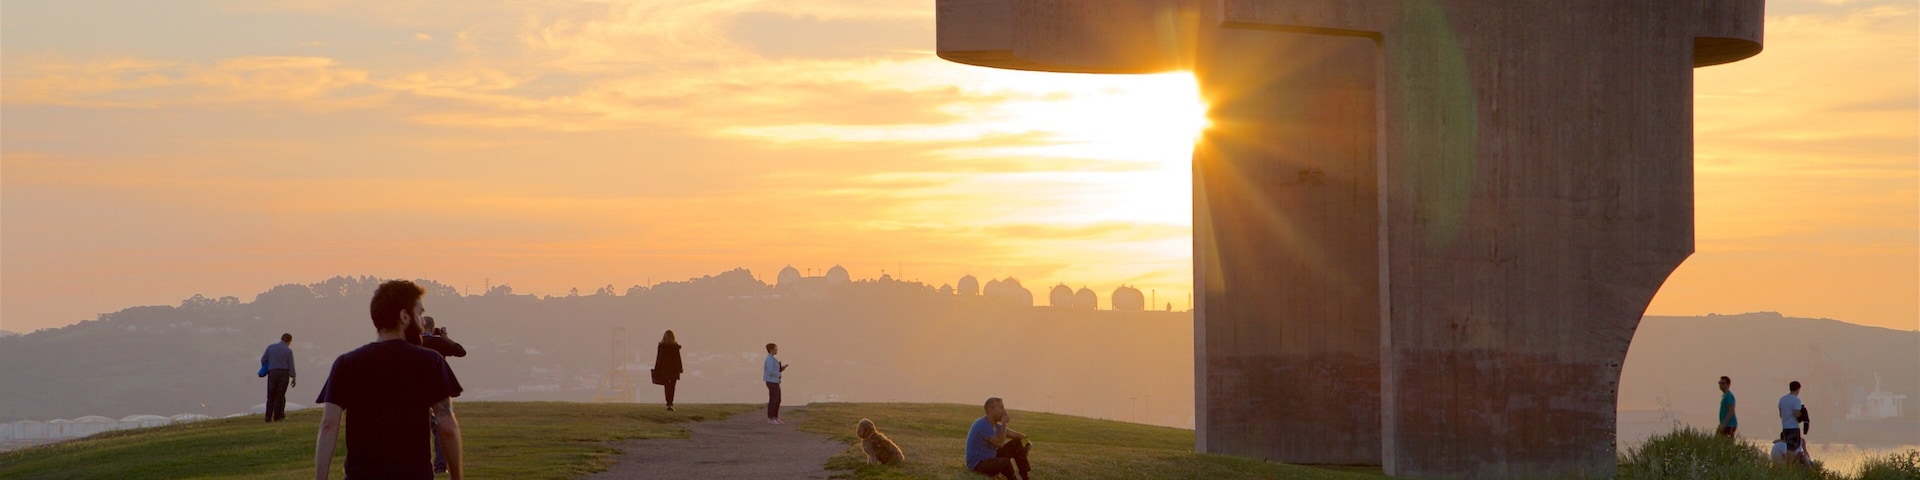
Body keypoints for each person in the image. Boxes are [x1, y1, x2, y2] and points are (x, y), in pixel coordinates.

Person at [313, 280, 465, 480]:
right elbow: (446, 426)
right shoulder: (430, 362)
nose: (421, 323)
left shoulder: (346, 364)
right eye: (419, 313)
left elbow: (329, 425)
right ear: (404, 316)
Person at [419, 316, 466, 474]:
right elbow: (460, 351)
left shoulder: (414, 343)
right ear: (433, 327)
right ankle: (440, 466)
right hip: (437, 390)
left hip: (417, 390)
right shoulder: (439, 343)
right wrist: (445, 337)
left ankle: (421, 464)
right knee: (440, 429)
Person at [965, 397, 1032, 480]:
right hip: (978, 464)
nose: (1004, 412)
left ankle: (1025, 477)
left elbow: (1017, 436)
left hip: (991, 458)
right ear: (990, 410)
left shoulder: (996, 426)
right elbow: (1000, 444)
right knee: (1004, 462)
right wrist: (1004, 424)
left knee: (1017, 444)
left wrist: (1027, 442)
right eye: (1001, 408)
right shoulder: (982, 425)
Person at [261, 333, 298, 422]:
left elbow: (263, 359)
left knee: (270, 395)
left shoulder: (271, 347)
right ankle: (278, 417)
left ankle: (268, 417)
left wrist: (267, 368)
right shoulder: (288, 351)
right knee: (280, 396)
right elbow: (291, 365)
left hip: (272, 372)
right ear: (289, 341)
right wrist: (293, 377)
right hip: (284, 374)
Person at [655, 330, 683, 411]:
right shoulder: (675, 347)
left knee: (667, 387)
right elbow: (678, 359)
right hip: (674, 370)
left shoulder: (662, 346)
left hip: (665, 370)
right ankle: (670, 403)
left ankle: (668, 403)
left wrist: (657, 369)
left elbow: (658, 359)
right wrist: (680, 369)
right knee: (672, 387)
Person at [1778, 380, 1806, 451]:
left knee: (1787, 447)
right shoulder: (1796, 400)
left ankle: (1787, 461)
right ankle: (1790, 462)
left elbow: (1781, 415)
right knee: (1793, 448)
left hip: (1785, 427)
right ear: (1798, 389)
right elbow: (1796, 413)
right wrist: (1802, 414)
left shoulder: (1782, 399)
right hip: (1793, 427)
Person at [764, 343, 788, 425]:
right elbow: (770, 371)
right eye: (775, 348)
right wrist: (779, 374)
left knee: (778, 400)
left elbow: (774, 370)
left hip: (775, 381)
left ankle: (775, 417)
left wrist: (781, 369)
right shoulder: (769, 359)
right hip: (771, 381)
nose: (777, 350)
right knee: (773, 400)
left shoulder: (773, 359)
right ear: (771, 349)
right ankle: (770, 418)